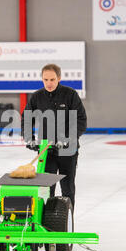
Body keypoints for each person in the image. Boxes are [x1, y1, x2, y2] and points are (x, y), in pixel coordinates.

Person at [21, 64, 87, 210]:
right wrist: (29, 138)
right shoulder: (37, 96)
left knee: (67, 189)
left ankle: (66, 224)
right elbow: (26, 118)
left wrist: (68, 138)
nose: (49, 83)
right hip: (46, 151)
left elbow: (81, 120)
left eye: (52, 79)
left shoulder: (70, 95)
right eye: (45, 80)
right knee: (46, 189)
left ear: (59, 78)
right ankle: (47, 224)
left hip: (67, 151)